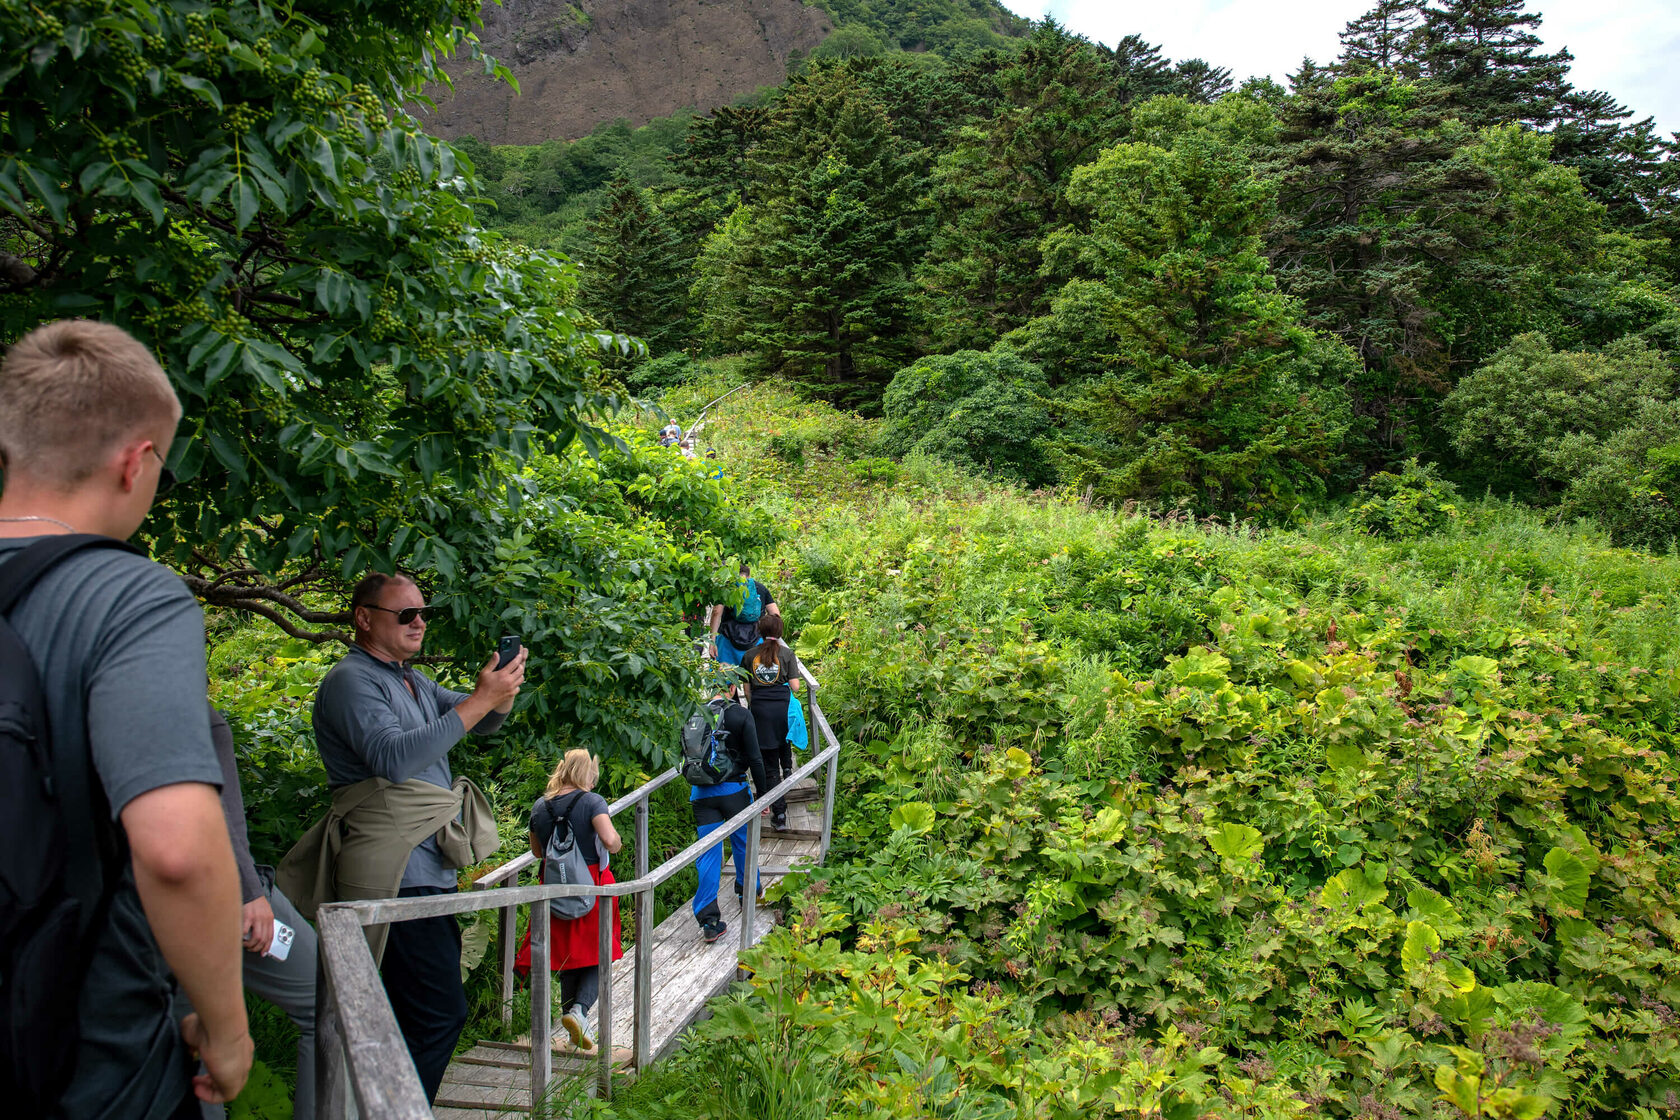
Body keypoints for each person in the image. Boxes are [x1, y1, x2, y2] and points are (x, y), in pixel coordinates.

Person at [0, 319, 251, 1118]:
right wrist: (228, 1030)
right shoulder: (124, 597)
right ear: (137, 460)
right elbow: (176, 850)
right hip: (82, 1062)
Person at [299, 573, 525, 1104]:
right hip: (390, 872)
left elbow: (481, 721)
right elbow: (394, 758)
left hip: (426, 869)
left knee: (412, 1013)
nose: (418, 621)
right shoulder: (351, 681)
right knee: (435, 1014)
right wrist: (480, 701)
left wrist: (501, 691)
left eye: (422, 612)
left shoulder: (411, 680)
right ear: (364, 617)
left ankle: (385, 1107)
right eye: (405, 614)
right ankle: (398, 1109)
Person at [204, 709, 317, 1120]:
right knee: (329, 998)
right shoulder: (174, 696)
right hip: (222, 899)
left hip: (222, 895)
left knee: (190, 1037)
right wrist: (248, 891)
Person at [513, 750, 623, 1052]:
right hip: (590, 884)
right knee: (598, 950)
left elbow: (538, 852)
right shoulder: (592, 802)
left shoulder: (540, 806)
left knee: (568, 954)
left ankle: (572, 1019)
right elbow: (611, 841)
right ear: (586, 773)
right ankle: (579, 1012)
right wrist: (614, 841)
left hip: (553, 886)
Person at [687, 686, 769, 944]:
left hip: (701, 794)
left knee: (709, 852)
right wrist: (764, 795)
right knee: (743, 842)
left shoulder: (695, 713)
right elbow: (756, 758)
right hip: (734, 790)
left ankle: (709, 920)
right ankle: (747, 892)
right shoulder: (741, 715)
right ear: (732, 688)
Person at [741, 614, 804, 832]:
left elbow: (747, 690)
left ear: (759, 631)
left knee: (769, 766)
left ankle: (779, 814)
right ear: (780, 633)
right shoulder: (787, 654)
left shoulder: (749, 656)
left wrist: (755, 705)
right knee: (783, 737)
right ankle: (787, 768)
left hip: (760, 709)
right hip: (782, 708)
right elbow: (795, 687)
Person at [707, 561, 780, 667]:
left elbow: (716, 612)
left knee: (723, 677)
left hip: (727, 639)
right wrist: (772, 641)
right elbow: (775, 615)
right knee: (753, 676)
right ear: (749, 575)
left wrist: (712, 641)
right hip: (756, 640)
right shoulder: (760, 588)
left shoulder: (726, 588)